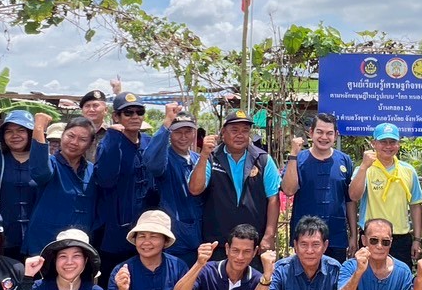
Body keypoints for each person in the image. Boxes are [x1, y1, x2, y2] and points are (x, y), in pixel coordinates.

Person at [188, 110, 281, 264]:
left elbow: (273, 199)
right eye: (234, 130)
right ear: (223, 132)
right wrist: (204, 155)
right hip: (217, 243)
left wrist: (269, 236)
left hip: (252, 245)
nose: (240, 135)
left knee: (254, 286)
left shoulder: (263, 159)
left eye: (245, 131)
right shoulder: (211, 157)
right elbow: (195, 189)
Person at [0, 109, 53, 261]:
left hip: (36, 239)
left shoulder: (44, 161)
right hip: (1, 236)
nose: (15, 135)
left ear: (30, 133)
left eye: (21, 130)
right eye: (9, 131)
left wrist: (40, 132)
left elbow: (43, 175)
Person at [92, 92, 155, 275]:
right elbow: (105, 179)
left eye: (139, 111)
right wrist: (113, 138)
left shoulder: (149, 142)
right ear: (116, 117)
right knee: (113, 283)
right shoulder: (108, 144)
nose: (135, 116)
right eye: (128, 113)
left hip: (144, 231)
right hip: (114, 232)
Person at [283, 112, 357, 261]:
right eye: (320, 132)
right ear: (311, 133)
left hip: (336, 236)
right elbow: (289, 190)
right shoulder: (299, 159)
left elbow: (350, 200)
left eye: (329, 133)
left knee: (335, 281)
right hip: (305, 238)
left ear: (336, 135)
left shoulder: (344, 160)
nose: (324, 137)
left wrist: (354, 235)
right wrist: (293, 155)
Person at [349, 123, 422, 264]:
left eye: (392, 142)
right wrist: (364, 167)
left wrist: (417, 239)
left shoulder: (408, 170)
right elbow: (354, 196)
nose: (388, 146)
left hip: (400, 237)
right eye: (383, 142)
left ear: (398, 144)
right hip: (371, 238)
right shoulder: (364, 169)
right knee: (367, 279)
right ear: (374, 143)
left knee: (400, 280)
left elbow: (415, 205)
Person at [24, 116, 99, 256]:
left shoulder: (92, 170)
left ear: (90, 144)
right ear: (62, 135)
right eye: (70, 136)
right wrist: (39, 128)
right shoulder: (51, 164)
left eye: (82, 139)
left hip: (80, 244)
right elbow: (40, 172)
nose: (74, 142)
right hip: (45, 244)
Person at [143, 103, 205, 260]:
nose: (183, 137)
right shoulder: (165, 159)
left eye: (188, 132)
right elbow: (151, 162)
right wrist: (166, 123)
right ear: (170, 134)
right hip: (175, 242)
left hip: (200, 241)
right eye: (178, 132)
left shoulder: (199, 159)